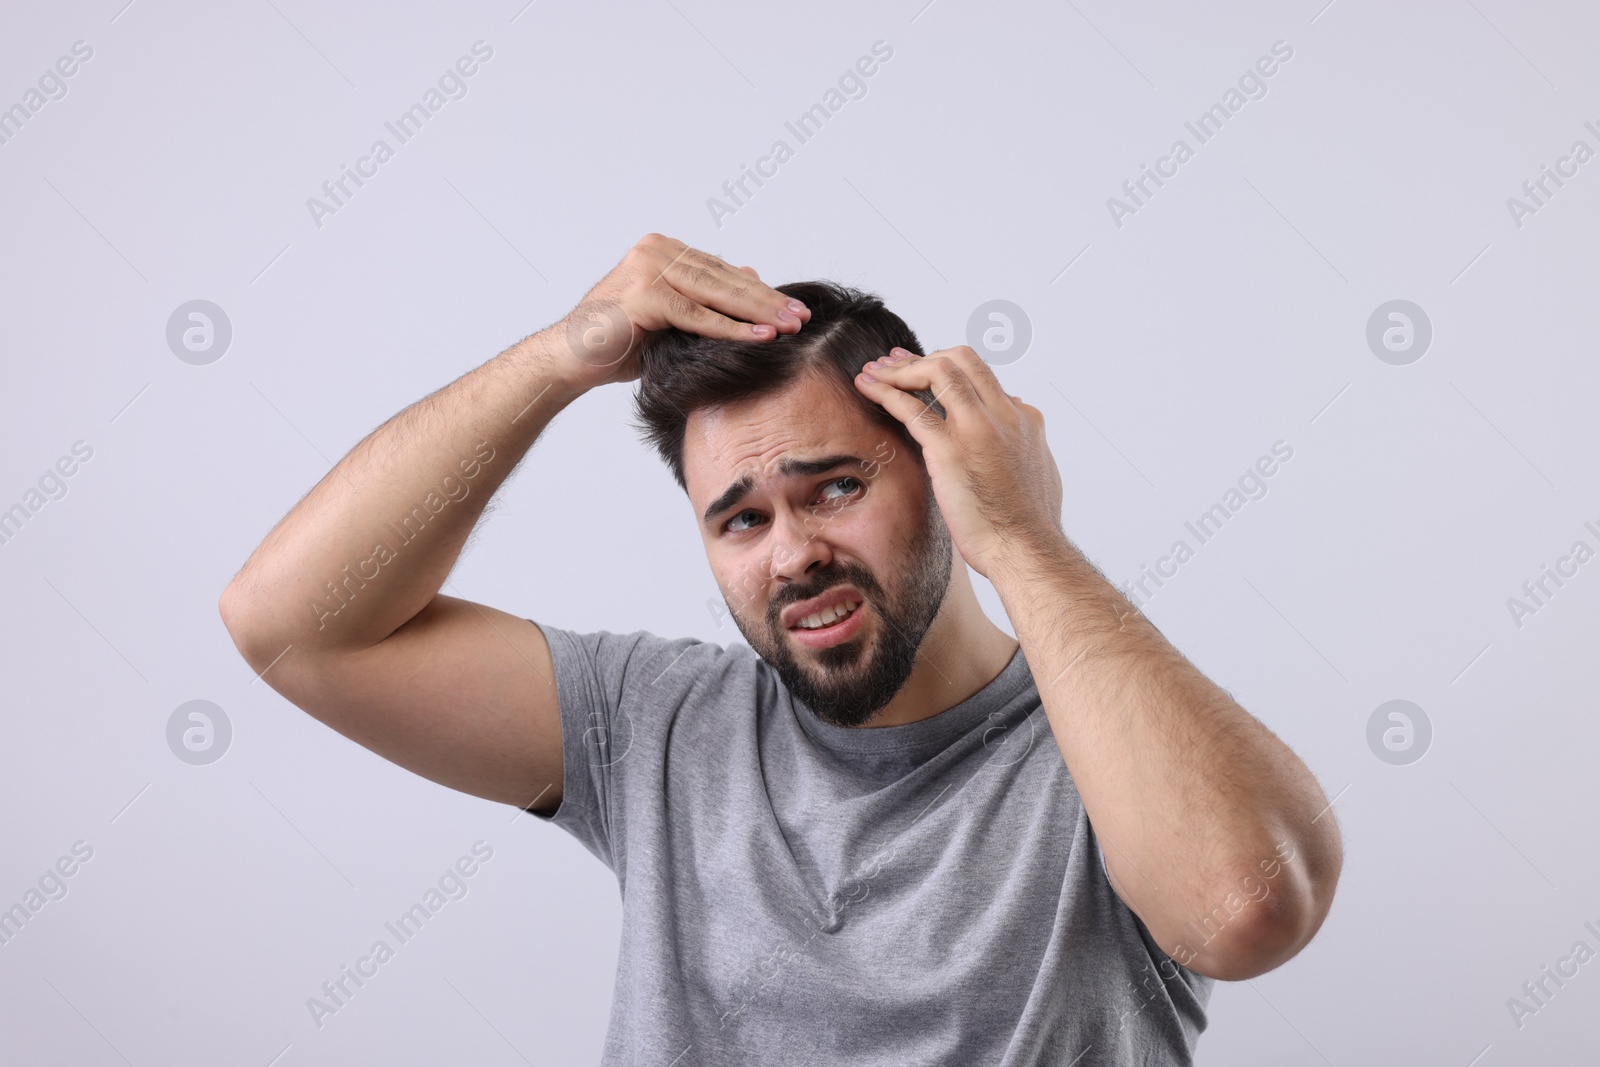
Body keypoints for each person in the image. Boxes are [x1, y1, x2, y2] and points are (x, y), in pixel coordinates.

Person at [220, 233, 1343, 1065]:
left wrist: (1025, 539)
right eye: (741, 518)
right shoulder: (658, 723)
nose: (792, 554)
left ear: (944, 467)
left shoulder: (1105, 753)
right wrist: (559, 358)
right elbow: (290, 626)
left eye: (838, 487)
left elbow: (1244, 906)